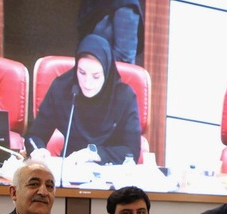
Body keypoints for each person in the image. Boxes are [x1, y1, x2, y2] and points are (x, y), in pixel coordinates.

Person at [25, 34, 142, 167]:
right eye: (82, 73)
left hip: (110, 171)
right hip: (70, 169)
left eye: (96, 76)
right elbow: (34, 136)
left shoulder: (124, 96)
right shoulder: (62, 89)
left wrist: (94, 154)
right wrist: (37, 150)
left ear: (107, 72)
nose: (87, 83)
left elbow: (132, 151)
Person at [77, 0, 144, 64]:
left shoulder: (125, 6)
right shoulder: (91, 5)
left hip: (107, 70)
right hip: (87, 67)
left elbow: (124, 57)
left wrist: (94, 67)